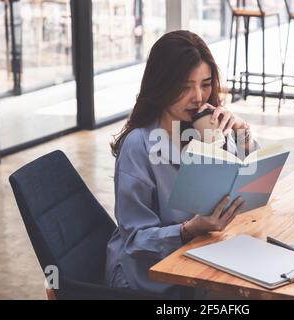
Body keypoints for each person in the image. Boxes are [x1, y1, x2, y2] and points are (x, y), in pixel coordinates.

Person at [105, 30, 259, 298]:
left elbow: (247, 180)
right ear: (161, 85)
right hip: (148, 281)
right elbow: (134, 241)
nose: (198, 97)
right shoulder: (139, 146)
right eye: (185, 86)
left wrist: (241, 134)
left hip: (198, 258)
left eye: (205, 84)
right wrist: (187, 230)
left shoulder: (207, 128)